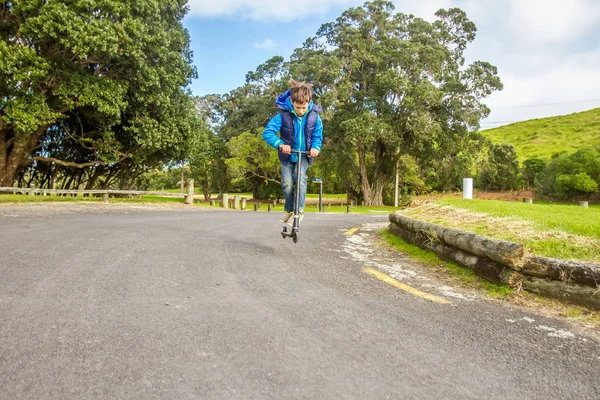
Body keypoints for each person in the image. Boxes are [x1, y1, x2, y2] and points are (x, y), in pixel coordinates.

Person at [262, 79, 323, 225]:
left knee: (300, 178)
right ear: (292, 103)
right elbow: (268, 132)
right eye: (298, 107)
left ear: (309, 102)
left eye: (304, 107)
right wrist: (280, 144)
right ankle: (289, 210)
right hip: (288, 155)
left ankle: (299, 212)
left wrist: (315, 148)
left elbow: (317, 136)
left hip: (305, 155)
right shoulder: (283, 115)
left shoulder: (314, 116)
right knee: (287, 183)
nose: (301, 111)